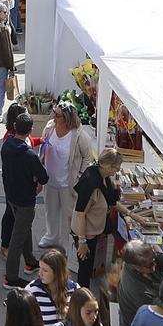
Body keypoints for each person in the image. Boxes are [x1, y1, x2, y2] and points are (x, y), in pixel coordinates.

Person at [0, 107, 48, 286]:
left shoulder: (6, 145)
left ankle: (30, 262)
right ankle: (10, 278)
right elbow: (44, 177)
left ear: (14, 126)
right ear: (30, 131)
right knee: (17, 239)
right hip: (26, 201)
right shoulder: (29, 156)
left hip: (11, 196)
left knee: (24, 229)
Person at [38, 105, 93, 254]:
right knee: (50, 211)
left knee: (68, 215)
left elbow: (87, 157)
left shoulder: (80, 135)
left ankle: (65, 242)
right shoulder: (50, 128)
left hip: (68, 183)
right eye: (54, 113)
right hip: (49, 180)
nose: (53, 116)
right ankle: (51, 236)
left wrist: (79, 177)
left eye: (57, 115)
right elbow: (42, 147)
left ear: (67, 118)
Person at [71, 150, 122, 284]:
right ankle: (81, 299)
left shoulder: (102, 177)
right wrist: (82, 242)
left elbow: (112, 201)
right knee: (84, 271)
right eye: (116, 167)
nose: (118, 170)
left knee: (87, 267)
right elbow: (80, 213)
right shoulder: (93, 185)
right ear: (107, 166)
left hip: (92, 233)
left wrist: (132, 215)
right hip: (86, 235)